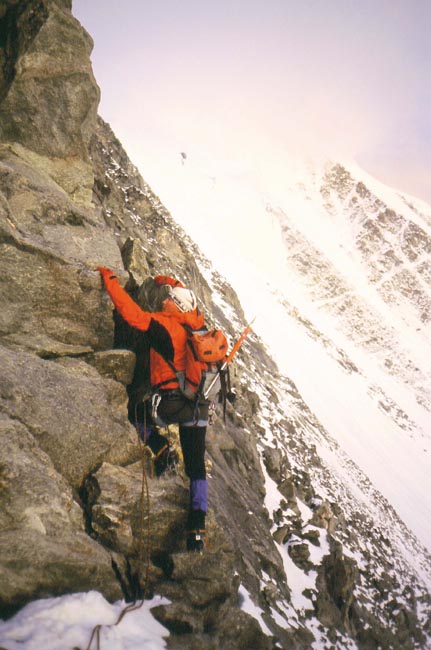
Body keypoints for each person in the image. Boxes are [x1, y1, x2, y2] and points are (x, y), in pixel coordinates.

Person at [98, 267, 209, 552]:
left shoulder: (163, 324)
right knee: (197, 469)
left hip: (172, 405)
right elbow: (181, 290)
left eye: (169, 298)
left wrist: (110, 282)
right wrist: (166, 281)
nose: (165, 300)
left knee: (135, 415)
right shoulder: (197, 323)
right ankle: (197, 529)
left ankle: (160, 447)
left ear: (174, 305)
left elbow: (132, 314)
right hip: (199, 407)